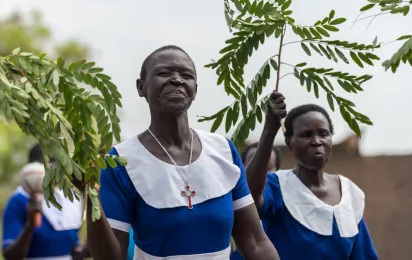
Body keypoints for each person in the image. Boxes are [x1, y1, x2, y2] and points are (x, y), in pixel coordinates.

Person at [86, 45, 279, 259]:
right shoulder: (121, 161)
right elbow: (111, 257)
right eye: (164, 73)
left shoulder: (224, 151)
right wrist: (90, 196)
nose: (177, 80)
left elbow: (255, 241)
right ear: (141, 87)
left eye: (186, 75)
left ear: (195, 89)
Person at [246, 92, 379, 259]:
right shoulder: (277, 186)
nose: (317, 141)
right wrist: (270, 131)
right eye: (306, 135)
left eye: (323, 134)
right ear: (289, 142)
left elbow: (362, 254)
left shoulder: (349, 193)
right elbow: (247, 200)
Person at [2, 144, 89, 260]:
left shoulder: (70, 198)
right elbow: (10, 256)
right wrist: (30, 225)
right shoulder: (19, 200)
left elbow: (73, 246)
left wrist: (83, 251)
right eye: (50, 163)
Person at [230, 143, 281, 260]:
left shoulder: (282, 216)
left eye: (267, 169)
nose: (259, 176)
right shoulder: (229, 214)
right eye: (251, 168)